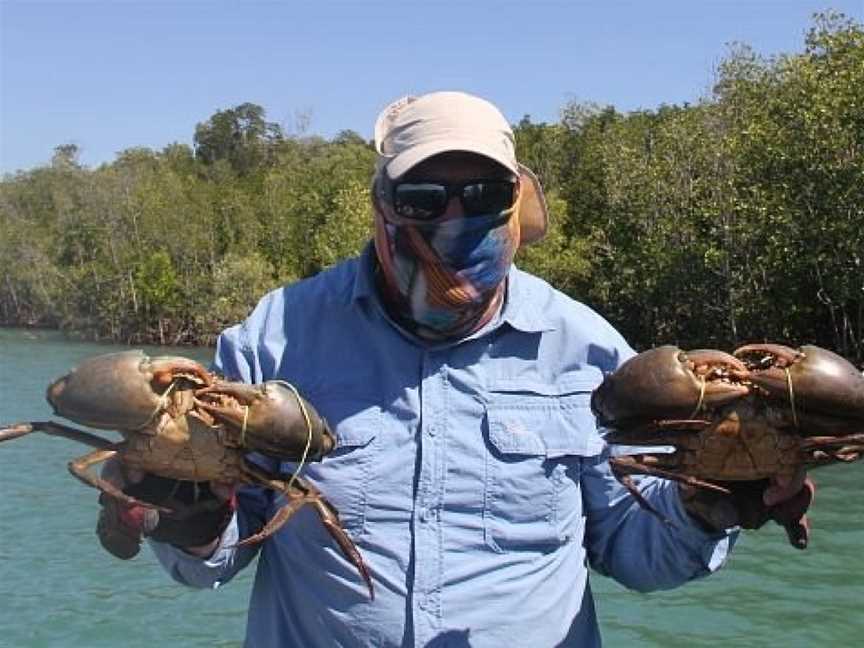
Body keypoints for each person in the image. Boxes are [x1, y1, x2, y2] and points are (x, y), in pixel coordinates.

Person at [98, 91, 814, 647]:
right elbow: (220, 553)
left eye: (481, 196)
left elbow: (636, 551)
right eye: (422, 199)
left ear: (514, 203)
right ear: (382, 206)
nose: (453, 218)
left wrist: (711, 503)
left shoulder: (588, 350)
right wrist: (184, 516)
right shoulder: (275, 340)